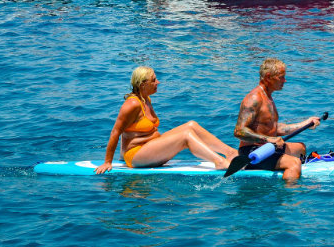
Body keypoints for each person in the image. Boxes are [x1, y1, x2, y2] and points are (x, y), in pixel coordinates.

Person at [94, 67, 238, 174]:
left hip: (149, 147)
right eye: (154, 80)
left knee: (191, 125)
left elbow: (131, 131)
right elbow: (116, 132)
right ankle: (219, 162)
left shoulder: (146, 99)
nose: (158, 82)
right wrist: (108, 162)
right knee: (185, 137)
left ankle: (231, 153)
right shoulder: (132, 104)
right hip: (136, 156)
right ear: (143, 84)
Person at [234, 58, 322, 181]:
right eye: (281, 77)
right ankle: (287, 195)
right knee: (294, 163)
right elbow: (239, 131)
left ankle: (281, 166)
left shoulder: (268, 97)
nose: (284, 81)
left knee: (301, 148)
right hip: (254, 152)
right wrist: (269, 139)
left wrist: (306, 123)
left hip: (269, 146)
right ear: (269, 77)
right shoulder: (254, 98)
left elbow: (275, 128)